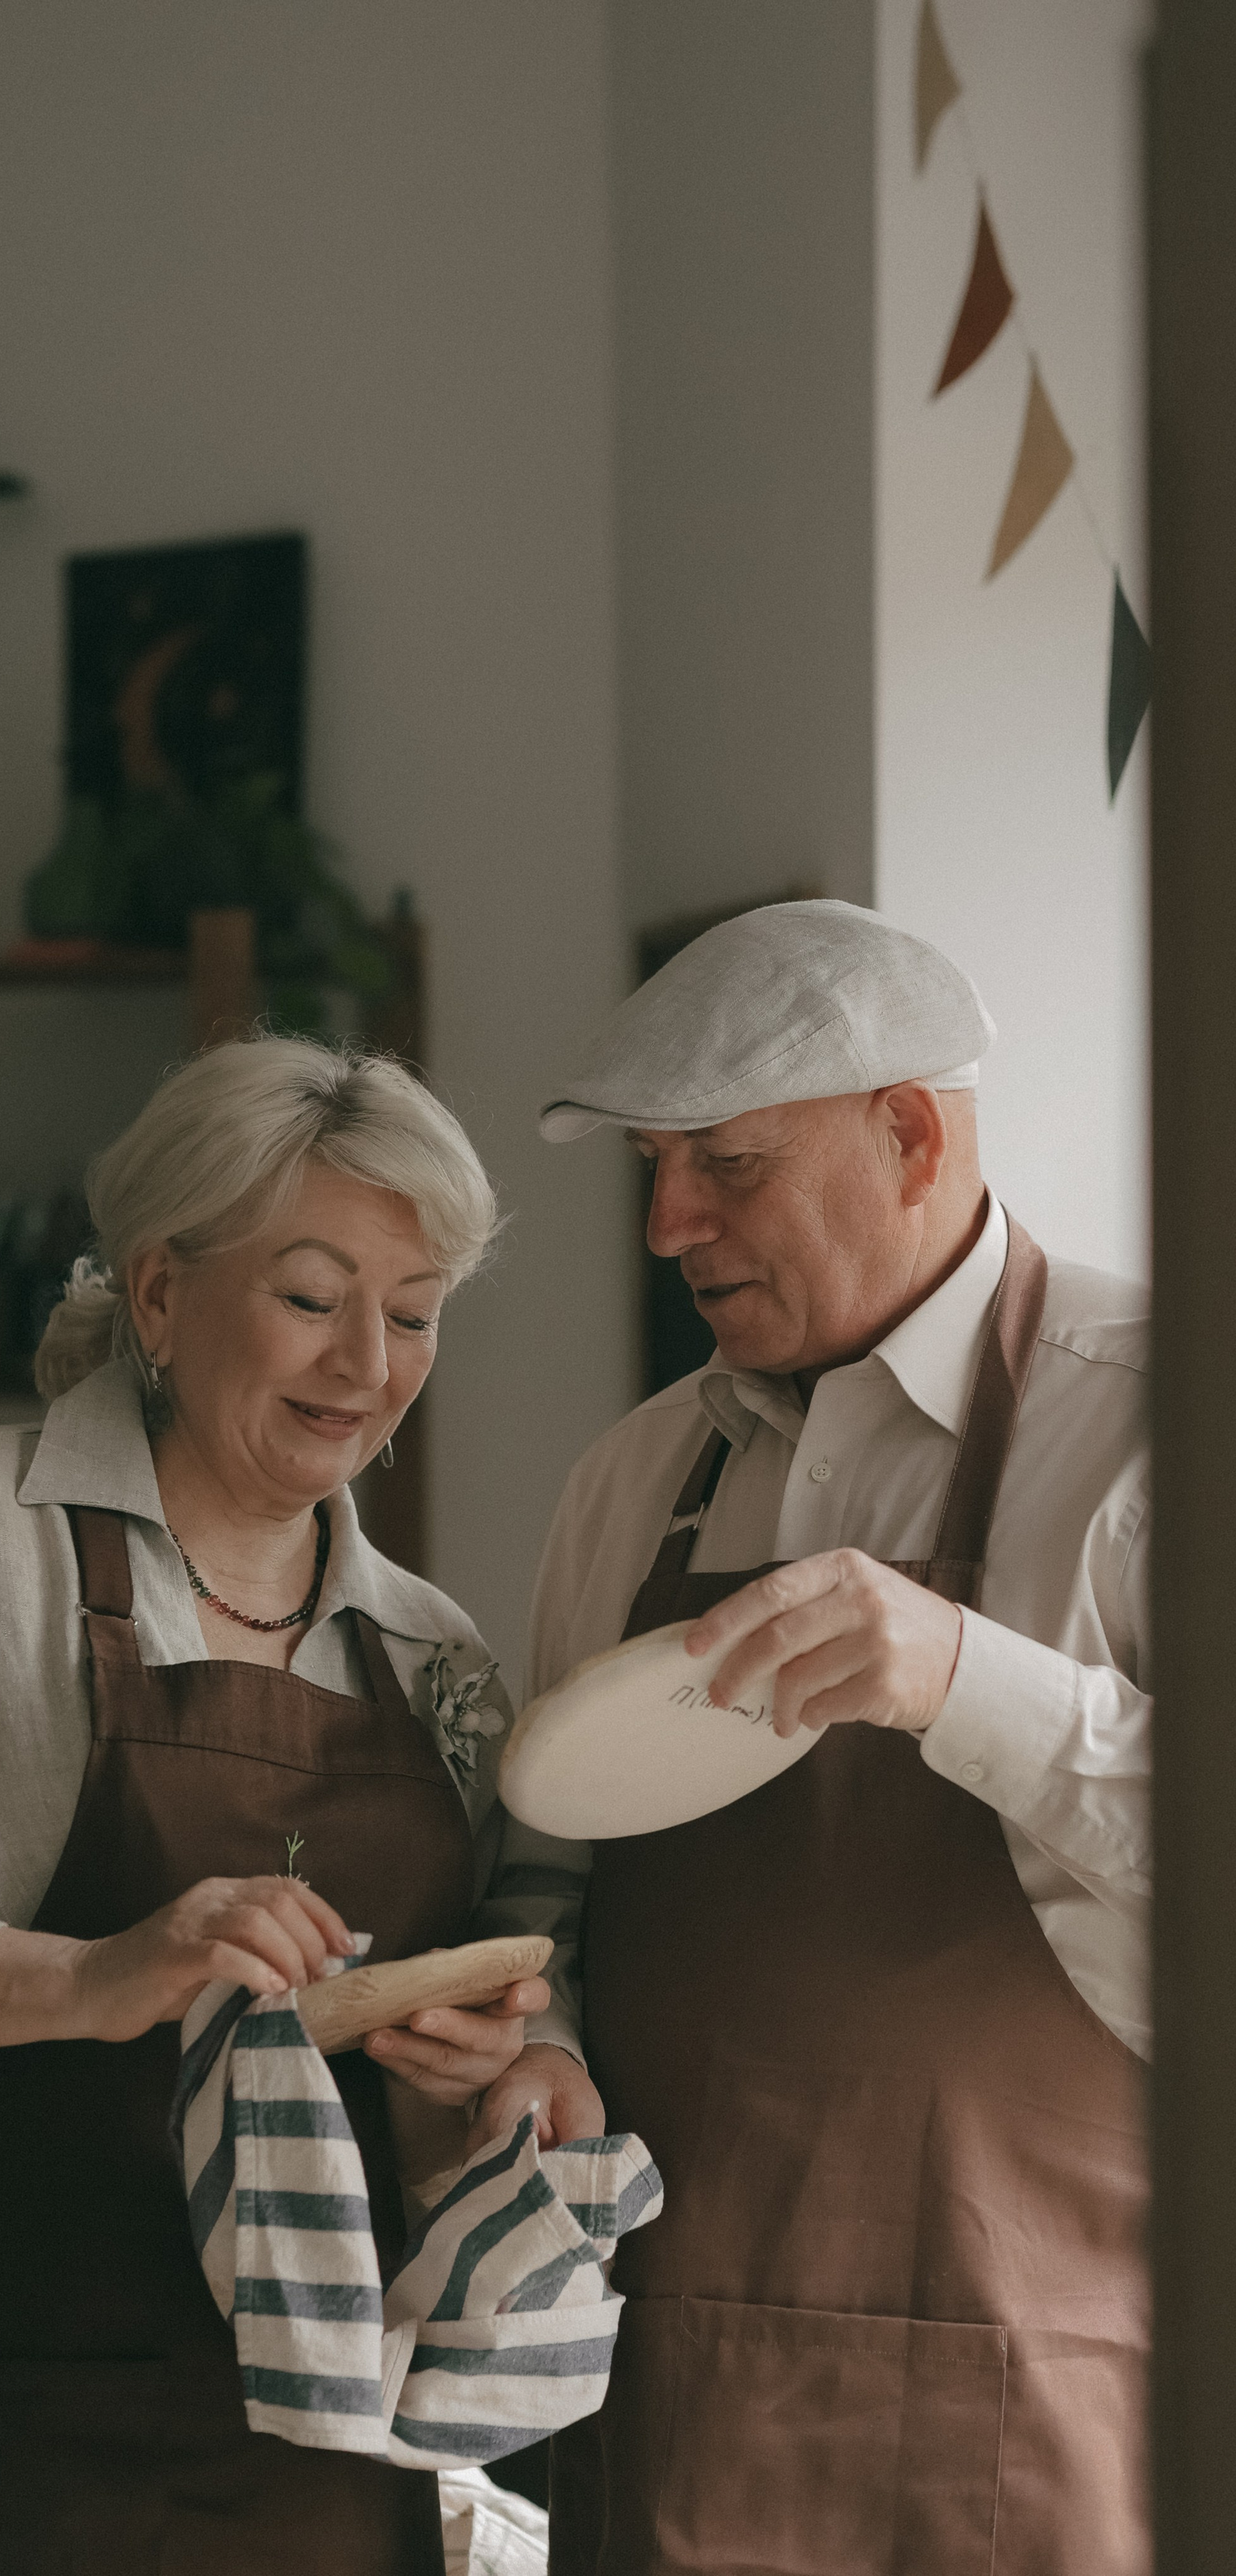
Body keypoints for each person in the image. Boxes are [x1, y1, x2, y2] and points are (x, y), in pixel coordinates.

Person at [0, 1036, 586, 2576]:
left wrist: (472, 2079)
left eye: (411, 1316)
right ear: (157, 1294)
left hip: (296, 2482)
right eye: (307, 1297)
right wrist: (87, 1975)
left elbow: (441, 2105)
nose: (365, 1365)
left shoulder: (434, 1663)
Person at [480, 900, 1149, 2576]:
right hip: (671, 2397)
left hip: (1042, 2404)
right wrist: (535, 2029)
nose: (664, 1226)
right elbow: (538, 1874)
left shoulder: (1155, 1422)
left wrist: (958, 1681)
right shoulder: (630, 1480)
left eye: (724, 1165)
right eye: (652, 1169)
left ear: (908, 1134)